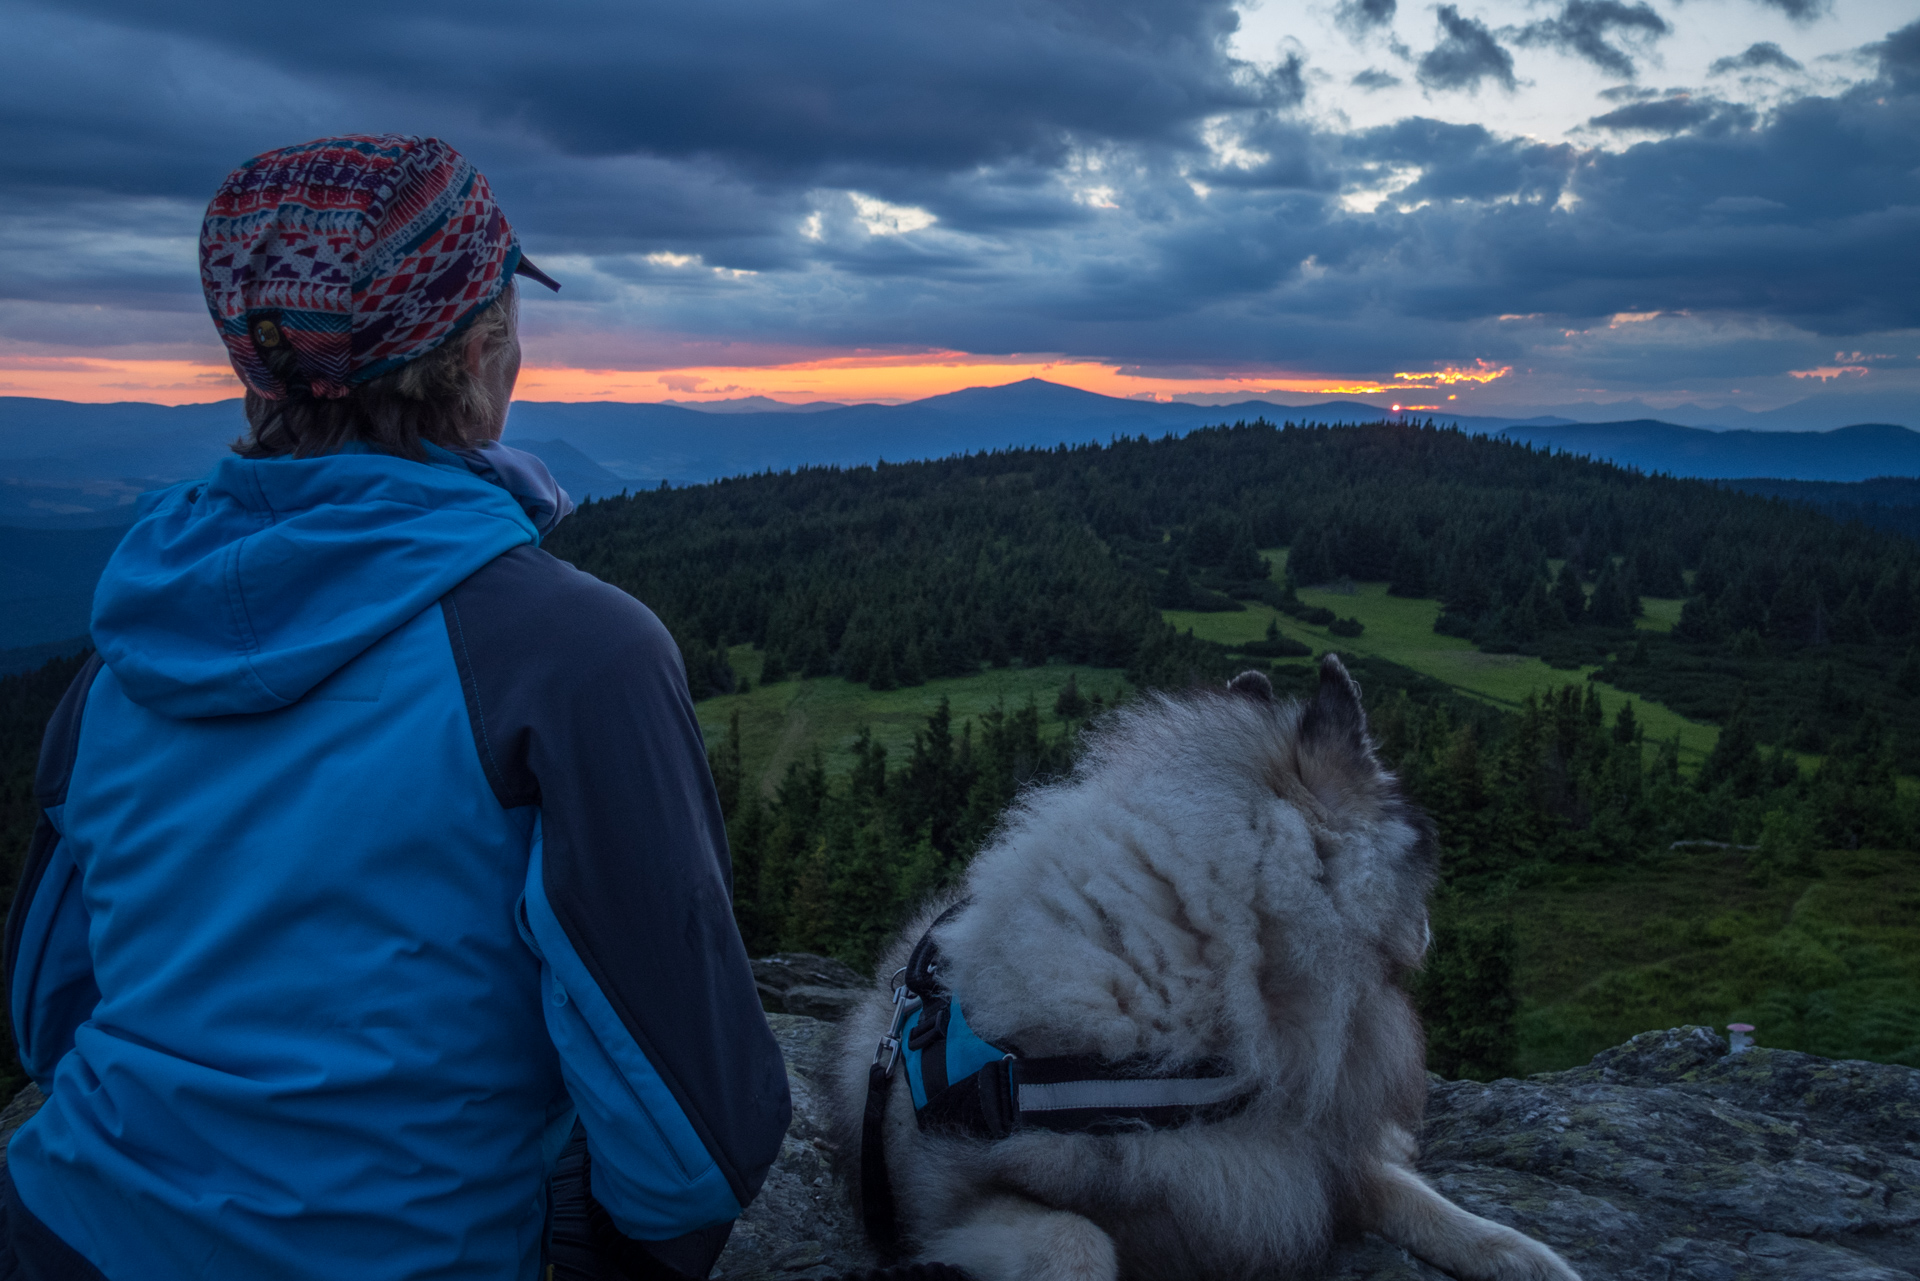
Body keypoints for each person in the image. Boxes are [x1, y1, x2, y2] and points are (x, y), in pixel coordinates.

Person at [0, 134, 790, 1280]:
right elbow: (689, 1148)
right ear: (477, 353)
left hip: (62, 1232)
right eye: (510, 313)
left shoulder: (126, 650)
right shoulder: (575, 655)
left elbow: (51, 1009)